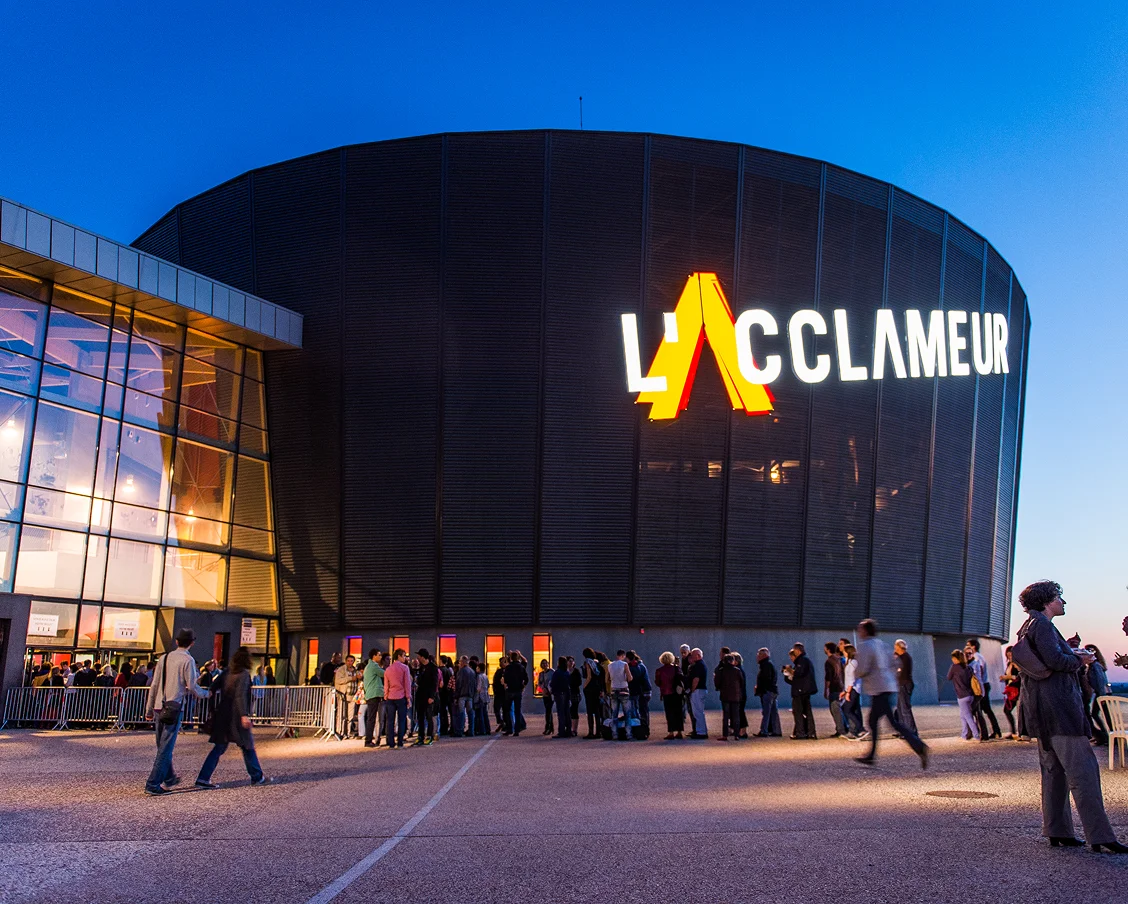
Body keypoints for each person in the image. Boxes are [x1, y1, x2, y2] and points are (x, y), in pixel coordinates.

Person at [1014, 580, 1127, 853]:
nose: (1063, 603)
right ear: (1047, 600)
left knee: (1053, 771)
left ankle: (1058, 830)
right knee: (1084, 772)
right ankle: (1100, 837)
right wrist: (1081, 659)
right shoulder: (1043, 625)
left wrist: (1067, 647)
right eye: (1059, 597)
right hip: (1061, 710)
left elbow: (1046, 657)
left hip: (1041, 712)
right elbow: (1055, 662)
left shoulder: (1028, 626)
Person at [852, 619, 928, 767]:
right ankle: (872, 755)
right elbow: (895, 663)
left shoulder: (865, 646)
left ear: (866, 631)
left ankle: (919, 746)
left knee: (888, 722)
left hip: (878, 688)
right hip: (887, 687)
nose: (859, 632)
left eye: (860, 629)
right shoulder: (882, 644)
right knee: (878, 721)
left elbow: (862, 669)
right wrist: (889, 676)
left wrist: (856, 674)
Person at [143, 629, 210, 796]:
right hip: (174, 707)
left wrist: (149, 709)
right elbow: (192, 686)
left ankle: (170, 777)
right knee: (165, 748)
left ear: (176, 641)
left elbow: (155, 684)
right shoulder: (188, 660)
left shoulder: (164, 658)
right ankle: (153, 783)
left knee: (161, 745)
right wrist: (205, 694)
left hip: (159, 705)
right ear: (192, 643)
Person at [195, 647, 271, 788]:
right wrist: (244, 715)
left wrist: (211, 701)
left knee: (219, 747)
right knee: (247, 745)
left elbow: (213, 686)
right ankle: (257, 776)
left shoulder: (227, 673)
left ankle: (203, 778)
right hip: (236, 716)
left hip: (223, 714)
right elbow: (240, 695)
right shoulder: (243, 675)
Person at [965, 638, 1002, 740]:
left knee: (978, 710)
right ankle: (995, 731)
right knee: (985, 710)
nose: (967, 647)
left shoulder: (977, 657)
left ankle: (984, 733)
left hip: (981, 685)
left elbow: (979, 669)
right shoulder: (978, 656)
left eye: (969, 645)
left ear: (974, 646)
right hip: (983, 684)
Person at [782, 643, 817, 740]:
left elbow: (799, 674)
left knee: (798, 711)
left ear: (797, 650)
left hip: (800, 691)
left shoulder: (802, 661)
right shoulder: (805, 660)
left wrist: (789, 670)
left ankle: (801, 733)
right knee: (806, 712)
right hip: (804, 691)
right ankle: (810, 733)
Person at [948, 650, 980, 741]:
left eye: (953, 658)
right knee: (963, 715)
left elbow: (948, 677)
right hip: (970, 695)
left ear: (956, 658)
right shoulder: (968, 667)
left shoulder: (954, 667)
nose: (952, 660)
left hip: (961, 696)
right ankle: (964, 734)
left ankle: (976, 735)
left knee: (968, 716)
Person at [383, 649, 412, 749]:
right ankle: (400, 742)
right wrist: (408, 697)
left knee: (390, 720)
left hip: (390, 697)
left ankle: (391, 742)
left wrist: (385, 695)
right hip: (401, 696)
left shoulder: (388, 669)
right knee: (401, 720)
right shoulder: (405, 668)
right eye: (404, 656)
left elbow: (386, 685)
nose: (405, 658)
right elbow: (407, 684)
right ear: (399, 656)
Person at [655, 652, 685, 739]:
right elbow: (682, 678)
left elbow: (658, 682)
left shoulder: (659, 670)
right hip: (677, 693)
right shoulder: (676, 668)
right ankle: (679, 732)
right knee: (679, 712)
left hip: (666, 693)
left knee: (669, 713)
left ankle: (671, 732)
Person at [414, 649, 440, 746]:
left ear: (422, 657)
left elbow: (435, 683)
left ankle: (429, 736)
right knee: (420, 716)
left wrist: (432, 696)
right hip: (420, 695)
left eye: (419, 656)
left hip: (428, 695)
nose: (417, 658)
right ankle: (420, 736)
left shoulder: (433, 668)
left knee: (429, 716)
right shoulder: (421, 667)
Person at [753, 648, 781, 737]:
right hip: (772, 691)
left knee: (766, 712)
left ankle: (764, 731)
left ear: (763, 655)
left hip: (767, 691)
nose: (757, 657)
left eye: (758, 655)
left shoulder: (765, 665)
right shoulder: (769, 664)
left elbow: (765, 679)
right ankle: (776, 731)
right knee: (773, 712)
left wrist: (759, 689)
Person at [716, 654, 744, 741]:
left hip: (725, 696)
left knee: (726, 716)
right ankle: (736, 735)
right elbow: (742, 682)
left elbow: (717, 683)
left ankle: (725, 735)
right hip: (735, 696)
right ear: (732, 661)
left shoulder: (721, 671)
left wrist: (719, 688)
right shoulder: (737, 671)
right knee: (736, 716)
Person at [893, 639, 918, 736]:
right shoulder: (901, 657)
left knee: (905, 709)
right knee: (900, 709)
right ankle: (903, 730)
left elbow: (899, 671)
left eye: (896, 646)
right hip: (901, 685)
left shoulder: (905, 658)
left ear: (900, 647)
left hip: (904, 684)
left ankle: (912, 732)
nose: (894, 648)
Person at [362, 649, 385, 748]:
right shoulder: (374, 666)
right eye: (379, 655)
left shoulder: (368, 666)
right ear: (374, 656)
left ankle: (369, 739)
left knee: (371, 718)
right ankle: (368, 740)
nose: (380, 657)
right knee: (372, 718)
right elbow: (384, 674)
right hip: (374, 694)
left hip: (370, 694)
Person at [823, 642, 846, 737]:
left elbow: (828, 677)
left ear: (828, 649)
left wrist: (826, 689)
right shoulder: (839, 660)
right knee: (838, 709)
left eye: (825, 648)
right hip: (841, 686)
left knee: (834, 709)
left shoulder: (829, 661)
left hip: (834, 688)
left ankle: (841, 730)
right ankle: (844, 727)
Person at [504, 651, 529, 736]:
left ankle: (509, 728)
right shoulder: (521, 667)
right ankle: (517, 730)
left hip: (510, 690)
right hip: (518, 690)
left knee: (508, 710)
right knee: (517, 711)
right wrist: (523, 687)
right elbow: (526, 679)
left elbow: (506, 679)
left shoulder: (508, 667)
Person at [334, 654, 359, 738]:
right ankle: (340, 731)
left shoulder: (355, 670)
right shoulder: (341, 670)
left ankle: (347, 732)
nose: (350, 663)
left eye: (351, 661)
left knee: (350, 715)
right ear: (345, 661)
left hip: (352, 695)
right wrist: (351, 678)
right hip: (343, 694)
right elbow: (338, 680)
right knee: (341, 714)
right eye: (348, 661)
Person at [627, 650, 651, 738]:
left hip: (641, 691)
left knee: (641, 710)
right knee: (643, 710)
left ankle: (643, 730)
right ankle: (644, 729)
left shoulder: (636, 666)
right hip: (645, 690)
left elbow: (634, 679)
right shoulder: (641, 665)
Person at [686, 648, 709, 739]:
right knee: (698, 712)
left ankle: (701, 732)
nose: (691, 656)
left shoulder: (698, 666)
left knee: (698, 712)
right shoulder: (701, 665)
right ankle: (701, 730)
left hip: (698, 691)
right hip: (700, 690)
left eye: (692, 655)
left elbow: (696, 679)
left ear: (698, 655)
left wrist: (692, 690)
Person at [1000, 646, 1021, 739]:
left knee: (1014, 711)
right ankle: (1013, 731)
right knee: (1007, 710)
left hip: (1016, 690)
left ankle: (1017, 732)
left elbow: (1017, 677)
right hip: (1010, 690)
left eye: (1011, 655)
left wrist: (1007, 677)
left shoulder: (1017, 664)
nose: (1010, 657)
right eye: (1008, 655)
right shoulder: (1009, 664)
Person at [582, 649, 602, 739]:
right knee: (597, 710)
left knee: (590, 711)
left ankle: (591, 732)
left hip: (590, 688)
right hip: (597, 687)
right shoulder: (596, 662)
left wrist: (584, 686)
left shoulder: (587, 662)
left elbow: (589, 676)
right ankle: (598, 731)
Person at [549, 657, 572, 737]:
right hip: (566, 693)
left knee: (561, 713)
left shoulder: (557, 672)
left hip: (559, 693)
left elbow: (553, 683)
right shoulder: (567, 672)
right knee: (567, 712)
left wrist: (552, 690)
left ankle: (561, 731)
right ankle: (568, 730)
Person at [537, 658, 555, 735]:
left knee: (548, 710)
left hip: (551, 694)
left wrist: (550, 689)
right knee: (548, 711)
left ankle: (548, 727)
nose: (544, 665)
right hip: (545, 694)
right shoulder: (541, 674)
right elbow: (539, 683)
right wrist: (543, 688)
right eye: (543, 663)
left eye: (546, 663)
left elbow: (554, 681)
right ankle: (550, 727)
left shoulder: (552, 672)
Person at [493, 654, 509, 732]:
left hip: (505, 694)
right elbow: (495, 682)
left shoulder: (508, 671)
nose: (501, 664)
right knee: (496, 709)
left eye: (502, 662)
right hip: (498, 693)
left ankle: (504, 723)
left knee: (505, 709)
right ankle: (501, 722)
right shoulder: (498, 671)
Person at [475, 661, 492, 735]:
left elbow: (478, 688)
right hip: (486, 696)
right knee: (485, 714)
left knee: (480, 714)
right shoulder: (485, 676)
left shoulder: (479, 676)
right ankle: (487, 729)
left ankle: (482, 730)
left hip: (480, 696)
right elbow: (488, 685)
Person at [567, 655, 582, 736]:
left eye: (572, 661)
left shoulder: (576, 671)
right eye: (569, 661)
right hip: (567, 693)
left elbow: (579, 682)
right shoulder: (565, 671)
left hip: (575, 693)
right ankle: (568, 728)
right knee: (568, 711)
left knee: (574, 711)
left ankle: (574, 729)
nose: (571, 662)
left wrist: (571, 684)